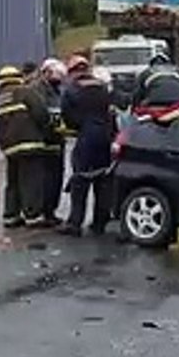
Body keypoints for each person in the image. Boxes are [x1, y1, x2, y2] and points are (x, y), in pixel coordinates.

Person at [59, 55, 116, 236]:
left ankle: (75, 223)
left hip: (86, 137)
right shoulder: (102, 87)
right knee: (102, 180)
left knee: (80, 179)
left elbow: (67, 116)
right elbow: (111, 112)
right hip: (105, 137)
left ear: (73, 71)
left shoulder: (72, 89)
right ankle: (100, 222)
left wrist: (77, 128)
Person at [0, 64, 55, 229]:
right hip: (30, 143)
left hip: (9, 147)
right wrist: (48, 129)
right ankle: (32, 215)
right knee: (31, 180)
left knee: (13, 180)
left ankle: (11, 215)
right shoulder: (25, 92)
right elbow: (41, 114)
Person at [36, 58, 69, 226]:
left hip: (58, 140)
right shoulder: (38, 90)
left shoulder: (58, 91)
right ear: (46, 72)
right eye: (57, 75)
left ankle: (51, 211)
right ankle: (44, 211)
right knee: (46, 178)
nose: (60, 79)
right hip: (44, 140)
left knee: (56, 177)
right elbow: (40, 114)